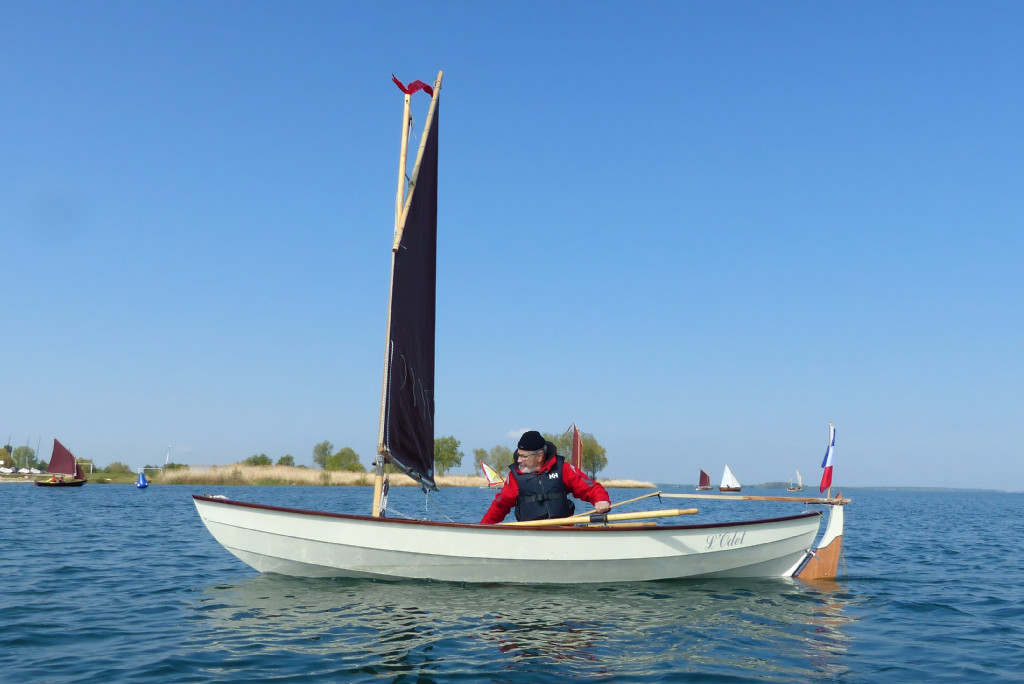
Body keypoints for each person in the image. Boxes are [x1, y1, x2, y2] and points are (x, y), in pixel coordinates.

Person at [480, 430, 611, 524]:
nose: (519, 460)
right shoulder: (515, 477)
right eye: (519, 455)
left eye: (524, 456)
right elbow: (500, 505)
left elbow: (590, 487)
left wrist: (601, 500)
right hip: (531, 533)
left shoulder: (563, 469)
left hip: (563, 531)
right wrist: (482, 528)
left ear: (540, 456)